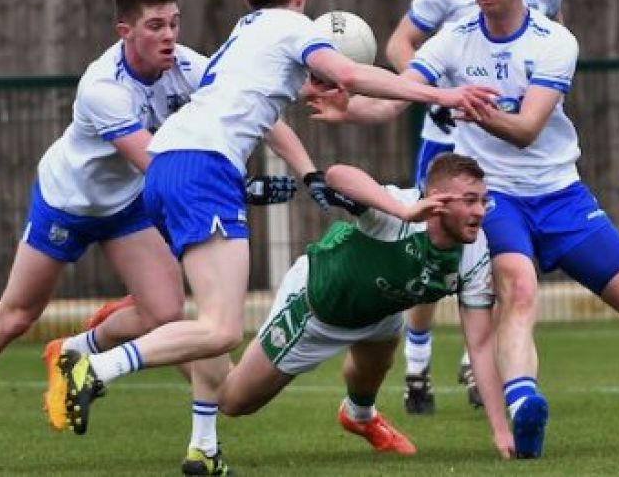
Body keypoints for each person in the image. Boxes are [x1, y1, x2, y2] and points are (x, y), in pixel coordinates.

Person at [45, 0, 494, 475]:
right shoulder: (295, 29)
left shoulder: (247, 31)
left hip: (169, 165)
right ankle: (91, 366)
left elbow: (285, 94)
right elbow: (349, 75)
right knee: (220, 330)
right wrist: (444, 96)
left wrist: (310, 150)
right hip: (204, 168)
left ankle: (204, 448)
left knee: (215, 319)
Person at [307, 0, 619, 458]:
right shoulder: (455, 37)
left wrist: (475, 108)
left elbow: (527, 129)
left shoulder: (554, 41)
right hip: (497, 197)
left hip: (562, 196)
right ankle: (525, 405)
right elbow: (397, 99)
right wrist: (350, 110)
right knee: (520, 292)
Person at [0, 0, 312, 472]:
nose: (169, 36)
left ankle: (78, 351)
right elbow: (157, 161)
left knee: (166, 308)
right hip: (67, 202)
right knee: (17, 314)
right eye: (155, 26)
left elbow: (262, 114)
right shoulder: (102, 87)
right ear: (126, 32)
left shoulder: (186, 65)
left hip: (127, 205)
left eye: (174, 24)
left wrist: (308, 171)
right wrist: (246, 188)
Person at [210, 154, 514, 468]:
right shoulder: (397, 209)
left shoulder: (475, 255)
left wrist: (501, 432)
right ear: (437, 201)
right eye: (469, 201)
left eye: (483, 201)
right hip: (318, 305)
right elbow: (337, 175)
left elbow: (479, 347)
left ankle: (359, 416)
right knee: (233, 402)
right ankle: (201, 340)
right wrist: (404, 212)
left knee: (378, 359)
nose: (480, 211)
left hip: (380, 313)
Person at [385, 0, 564, 415]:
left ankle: (477, 358)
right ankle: (417, 367)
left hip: (507, 139)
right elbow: (400, 44)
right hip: (447, 137)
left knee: (495, 254)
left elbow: (549, 38)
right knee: (435, 252)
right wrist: (434, 97)